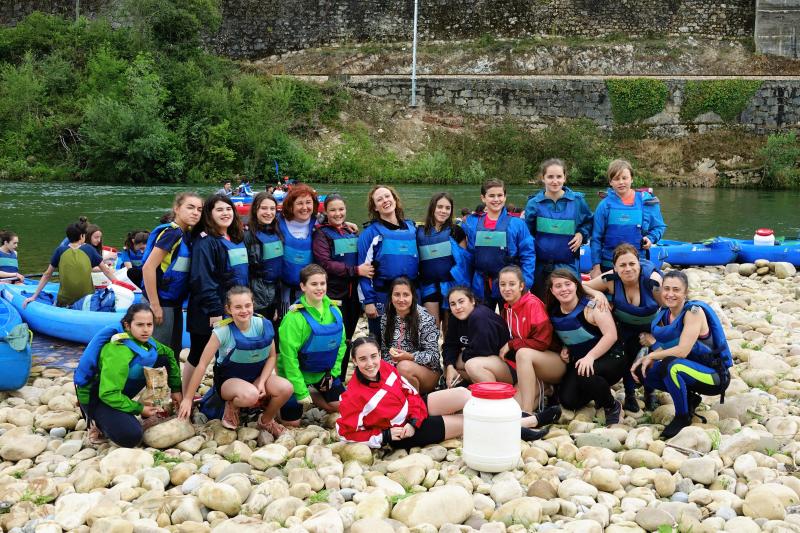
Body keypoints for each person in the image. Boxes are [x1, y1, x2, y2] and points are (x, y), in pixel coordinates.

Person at [178, 287, 293, 434]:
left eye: (247, 305)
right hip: (229, 382)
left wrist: (262, 381)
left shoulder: (264, 325)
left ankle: (266, 421)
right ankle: (232, 405)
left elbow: (272, 357)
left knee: (286, 388)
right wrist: (187, 398)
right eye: (238, 307)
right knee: (250, 395)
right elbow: (202, 365)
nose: (244, 310)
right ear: (228, 309)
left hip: (257, 377)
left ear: (253, 304)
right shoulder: (222, 331)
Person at [631, 271, 732, 438]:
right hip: (689, 369)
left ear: (685, 293)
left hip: (714, 376)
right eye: (667, 289)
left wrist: (649, 356)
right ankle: (689, 398)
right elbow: (666, 350)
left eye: (676, 290)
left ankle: (682, 416)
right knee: (644, 371)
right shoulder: (665, 313)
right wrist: (646, 357)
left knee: (671, 366)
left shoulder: (693, 312)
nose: (670, 294)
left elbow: (682, 351)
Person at [337, 335, 472, 449]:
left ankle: (490, 411)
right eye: (362, 359)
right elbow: (344, 433)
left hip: (414, 411)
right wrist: (384, 435)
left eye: (373, 356)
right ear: (354, 361)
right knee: (467, 422)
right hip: (403, 433)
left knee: (463, 394)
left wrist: (414, 420)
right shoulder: (352, 396)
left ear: (379, 355)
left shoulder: (385, 367)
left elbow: (410, 392)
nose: (370, 363)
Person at [75, 303, 182, 447]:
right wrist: (139, 408)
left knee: (161, 359)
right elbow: (107, 394)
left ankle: (151, 404)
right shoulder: (118, 351)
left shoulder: (146, 341)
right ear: (127, 325)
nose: (145, 330)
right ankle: (96, 421)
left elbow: (169, 353)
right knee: (131, 436)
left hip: (117, 389)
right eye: (140, 325)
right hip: (98, 397)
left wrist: (176, 390)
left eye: (149, 325)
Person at [582, 244, 662, 412]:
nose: (628, 269)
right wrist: (598, 294)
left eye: (632, 264)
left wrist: (655, 336)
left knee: (650, 353)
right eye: (622, 265)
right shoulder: (610, 280)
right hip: (624, 327)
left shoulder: (653, 281)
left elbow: (669, 309)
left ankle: (650, 392)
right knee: (626, 351)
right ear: (615, 268)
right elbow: (580, 286)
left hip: (651, 328)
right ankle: (630, 393)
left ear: (639, 263)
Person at [186, 194, 248, 397]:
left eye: (228, 209)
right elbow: (202, 279)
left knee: (226, 353)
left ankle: (221, 392)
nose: (225, 213)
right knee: (198, 352)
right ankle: (187, 394)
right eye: (219, 210)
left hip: (234, 306)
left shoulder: (236, 237)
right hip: (209, 309)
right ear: (209, 214)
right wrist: (215, 310)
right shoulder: (206, 241)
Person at [547, 269, 624, 425]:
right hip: (583, 361)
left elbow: (611, 335)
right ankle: (596, 389)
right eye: (558, 286)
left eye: (568, 284)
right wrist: (564, 347)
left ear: (576, 285)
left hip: (612, 358)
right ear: (552, 290)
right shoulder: (553, 312)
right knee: (568, 401)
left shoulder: (593, 306)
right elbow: (567, 335)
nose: (564, 289)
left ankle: (611, 405)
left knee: (585, 372)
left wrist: (590, 357)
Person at [312, 194, 374, 378]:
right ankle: (325, 377)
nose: (338, 213)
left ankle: (339, 376)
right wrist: (356, 270)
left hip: (353, 295)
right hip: (333, 294)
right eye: (333, 210)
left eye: (341, 209)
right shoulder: (321, 234)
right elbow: (325, 263)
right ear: (325, 212)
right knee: (332, 338)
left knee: (347, 338)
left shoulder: (350, 231)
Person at [142, 192, 203, 376]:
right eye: (190, 207)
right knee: (159, 355)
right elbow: (148, 268)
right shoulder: (172, 233)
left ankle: (171, 395)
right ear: (176, 209)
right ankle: (154, 399)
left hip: (173, 303)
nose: (195, 213)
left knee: (173, 352)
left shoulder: (187, 235)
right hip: (160, 302)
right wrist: (154, 305)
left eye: (199, 209)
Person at [277, 264, 347, 426]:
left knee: (344, 407)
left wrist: (333, 373)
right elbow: (289, 357)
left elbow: (341, 345)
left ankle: (314, 393)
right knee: (293, 423)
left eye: (322, 284)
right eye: (314, 284)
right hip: (294, 375)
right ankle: (275, 399)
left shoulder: (335, 311)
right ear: (303, 286)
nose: (319, 288)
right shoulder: (293, 318)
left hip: (323, 373)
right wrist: (300, 390)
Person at [498, 266, 565, 416]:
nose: (507, 288)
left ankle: (527, 412)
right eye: (503, 284)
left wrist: (511, 344)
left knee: (522, 353)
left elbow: (543, 343)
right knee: (512, 409)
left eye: (512, 284)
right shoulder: (506, 310)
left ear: (521, 286)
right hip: (532, 366)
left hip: (554, 362)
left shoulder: (532, 304)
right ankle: (544, 390)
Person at [358, 185, 419, 344]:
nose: (385, 201)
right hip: (381, 296)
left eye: (387, 196)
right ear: (375, 207)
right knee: (380, 342)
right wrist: (368, 302)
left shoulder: (412, 229)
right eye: (379, 199)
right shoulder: (370, 233)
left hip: (409, 296)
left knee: (409, 343)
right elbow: (364, 271)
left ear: (395, 199)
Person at [462, 179, 535, 311]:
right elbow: (470, 256)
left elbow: (528, 255)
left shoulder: (517, 224)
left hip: (509, 285)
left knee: (509, 324)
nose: (496, 199)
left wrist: (526, 282)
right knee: (483, 323)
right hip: (481, 284)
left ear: (505, 197)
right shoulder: (473, 224)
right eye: (491, 196)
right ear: (483, 198)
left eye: (500, 195)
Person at [524, 159, 593, 296]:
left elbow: (589, 223)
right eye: (550, 177)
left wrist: (581, 234)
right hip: (540, 268)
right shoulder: (533, 204)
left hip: (569, 265)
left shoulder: (577, 201)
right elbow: (527, 234)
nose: (554, 181)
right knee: (542, 306)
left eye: (558, 176)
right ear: (543, 178)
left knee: (570, 304)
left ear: (565, 178)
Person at [590, 159, 667, 278]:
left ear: (632, 179)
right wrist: (596, 267)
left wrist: (651, 238)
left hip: (637, 262)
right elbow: (596, 238)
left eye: (624, 178)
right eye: (616, 179)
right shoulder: (604, 205)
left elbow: (659, 227)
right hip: (609, 263)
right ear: (610, 182)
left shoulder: (646, 202)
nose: (621, 182)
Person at [24, 223, 116, 308]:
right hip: (87, 299)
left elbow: (47, 274)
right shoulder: (89, 249)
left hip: (64, 300)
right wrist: (119, 284)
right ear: (82, 236)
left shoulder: (60, 251)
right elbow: (106, 271)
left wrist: (34, 296)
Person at [416, 192, 471, 328]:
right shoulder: (419, 232)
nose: (443, 211)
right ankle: (432, 349)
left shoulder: (456, 231)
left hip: (452, 286)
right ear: (432, 208)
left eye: (447, 208)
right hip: (428, 286)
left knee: (450, 328)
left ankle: (449, 349)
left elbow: (463, 263)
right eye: (440, 207)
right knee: (431, 327)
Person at [381, 277, 442, 394]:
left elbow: (434, 357)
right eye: (397, 295)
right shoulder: (386, 317)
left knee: (404, 367)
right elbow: (385, 351)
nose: (401, 299)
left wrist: (409, 357)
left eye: (406, 295)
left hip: (427, 373)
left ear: (413, 296)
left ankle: (414, 404)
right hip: (396, 370)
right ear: (391, 297)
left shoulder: (425, 318)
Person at [277, 184, 319, 315]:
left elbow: (336, 222)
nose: (305, 207)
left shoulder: (319, 222)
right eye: (300, 203)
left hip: (309, 288)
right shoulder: (277, 222)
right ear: (291, 205)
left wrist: (347, 224)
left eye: (308, 203)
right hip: (283, 287)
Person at [244, 193, 283, 328]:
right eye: (264, 208)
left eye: (272, 209)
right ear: (255, 209)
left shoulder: (277, 231)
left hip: (275, 292)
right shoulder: (246, 235)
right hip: (256, 295)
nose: (269, 213)